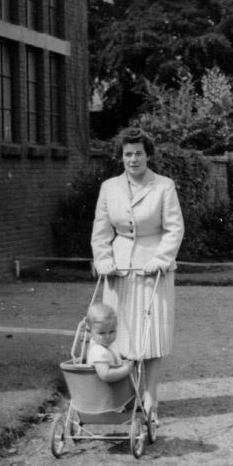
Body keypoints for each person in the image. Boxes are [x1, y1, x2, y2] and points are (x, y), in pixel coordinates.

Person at [91, 127, 184, 419]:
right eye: (128, 154)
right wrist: (103, 260)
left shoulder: (164, 186)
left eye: (138, 153)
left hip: (152, 270)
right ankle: (127, 394)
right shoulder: (109, 187)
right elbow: (101, 231)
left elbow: (174, 228)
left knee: (150, 335)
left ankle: (150, 397)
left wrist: (161, 259)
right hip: (119, 270)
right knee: (119, 333)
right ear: (121, 157)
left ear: (148, 155)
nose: (133, 159)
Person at [85, 302, 133, 383]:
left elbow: (111, 354)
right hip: (102, 389)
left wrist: (123, 356)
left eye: (112, 331)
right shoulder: (98, 351)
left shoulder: (105, 345)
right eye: (102, 333)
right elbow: (105, 375)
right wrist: (126, 370)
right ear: (89, 332)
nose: (107, 336)